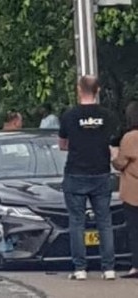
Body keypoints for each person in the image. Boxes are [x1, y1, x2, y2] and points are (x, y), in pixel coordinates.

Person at [58, 75, 117, 280]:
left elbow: (62, 144)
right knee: (104, 221)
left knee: (77, 222)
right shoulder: (107, 116)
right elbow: (112, 142)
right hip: (101, 172)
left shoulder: (69, 116)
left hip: (75, 173)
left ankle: (80, 269)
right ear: (98, 90)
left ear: (78, 89)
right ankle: (108, 269)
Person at [111, 101, 138, 278]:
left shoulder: (129, 137)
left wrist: (113, 156)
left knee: (134, 230)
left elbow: (120, 163)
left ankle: (136, 266)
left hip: (133, 192)